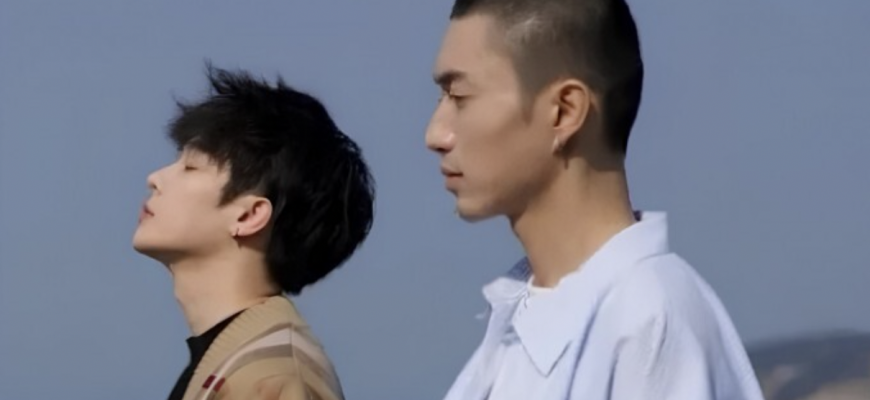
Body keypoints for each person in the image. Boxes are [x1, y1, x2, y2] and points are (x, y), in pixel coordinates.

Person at [425, 0, 764, 399]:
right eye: (441, 98)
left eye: (459, 96)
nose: (435, 135)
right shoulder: (517, 321)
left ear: (564, 111)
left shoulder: (647, 322)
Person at [133, 64, 374, 400]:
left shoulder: (271, 377)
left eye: (190, 166)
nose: (155, 178)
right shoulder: (244, 362)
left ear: (249, 215)